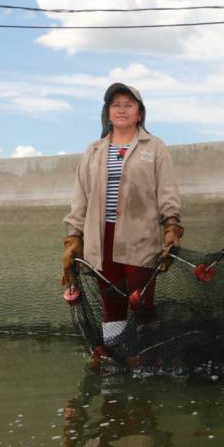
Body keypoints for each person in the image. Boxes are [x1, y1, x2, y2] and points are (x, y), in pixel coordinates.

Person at [62, 83, 183, 354]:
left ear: (140, 113)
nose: (122, 110)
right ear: (107, 113)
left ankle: (149, 356)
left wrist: (171, 226)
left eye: (129, 105)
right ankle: (116, 359)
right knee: (111, 303)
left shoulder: (154, 146)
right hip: (100, 239)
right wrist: (73, 236)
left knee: (142, 302)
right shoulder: (93, 151)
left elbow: (167, 190)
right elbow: (80, 197)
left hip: (140, 237)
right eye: (116, 105)